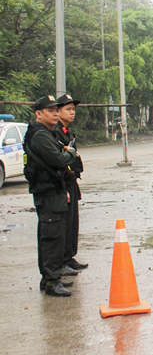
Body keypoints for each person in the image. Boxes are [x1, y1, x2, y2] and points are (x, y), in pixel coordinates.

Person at [23, 95, 80, 297]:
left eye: (57, 110)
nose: (55, 113)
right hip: (47, 192)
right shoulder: (39, 135)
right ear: (39, 114)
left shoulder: (44, 133)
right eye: (50, 111)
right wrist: (71, 153)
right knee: (52, 236)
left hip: (53, 189)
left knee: (55, 235)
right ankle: (51, 281)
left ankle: (51, 277)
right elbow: (58, 158)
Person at [53, 94, 88, 272]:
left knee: (73, 221)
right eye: (68, 109)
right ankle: (63, 260)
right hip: (63, 182)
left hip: (71, 180)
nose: (72, 112)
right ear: (58, 112)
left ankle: (70, 256)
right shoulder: (56, 133)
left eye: (73, 109)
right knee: (64, 223)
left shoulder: (68, 132)